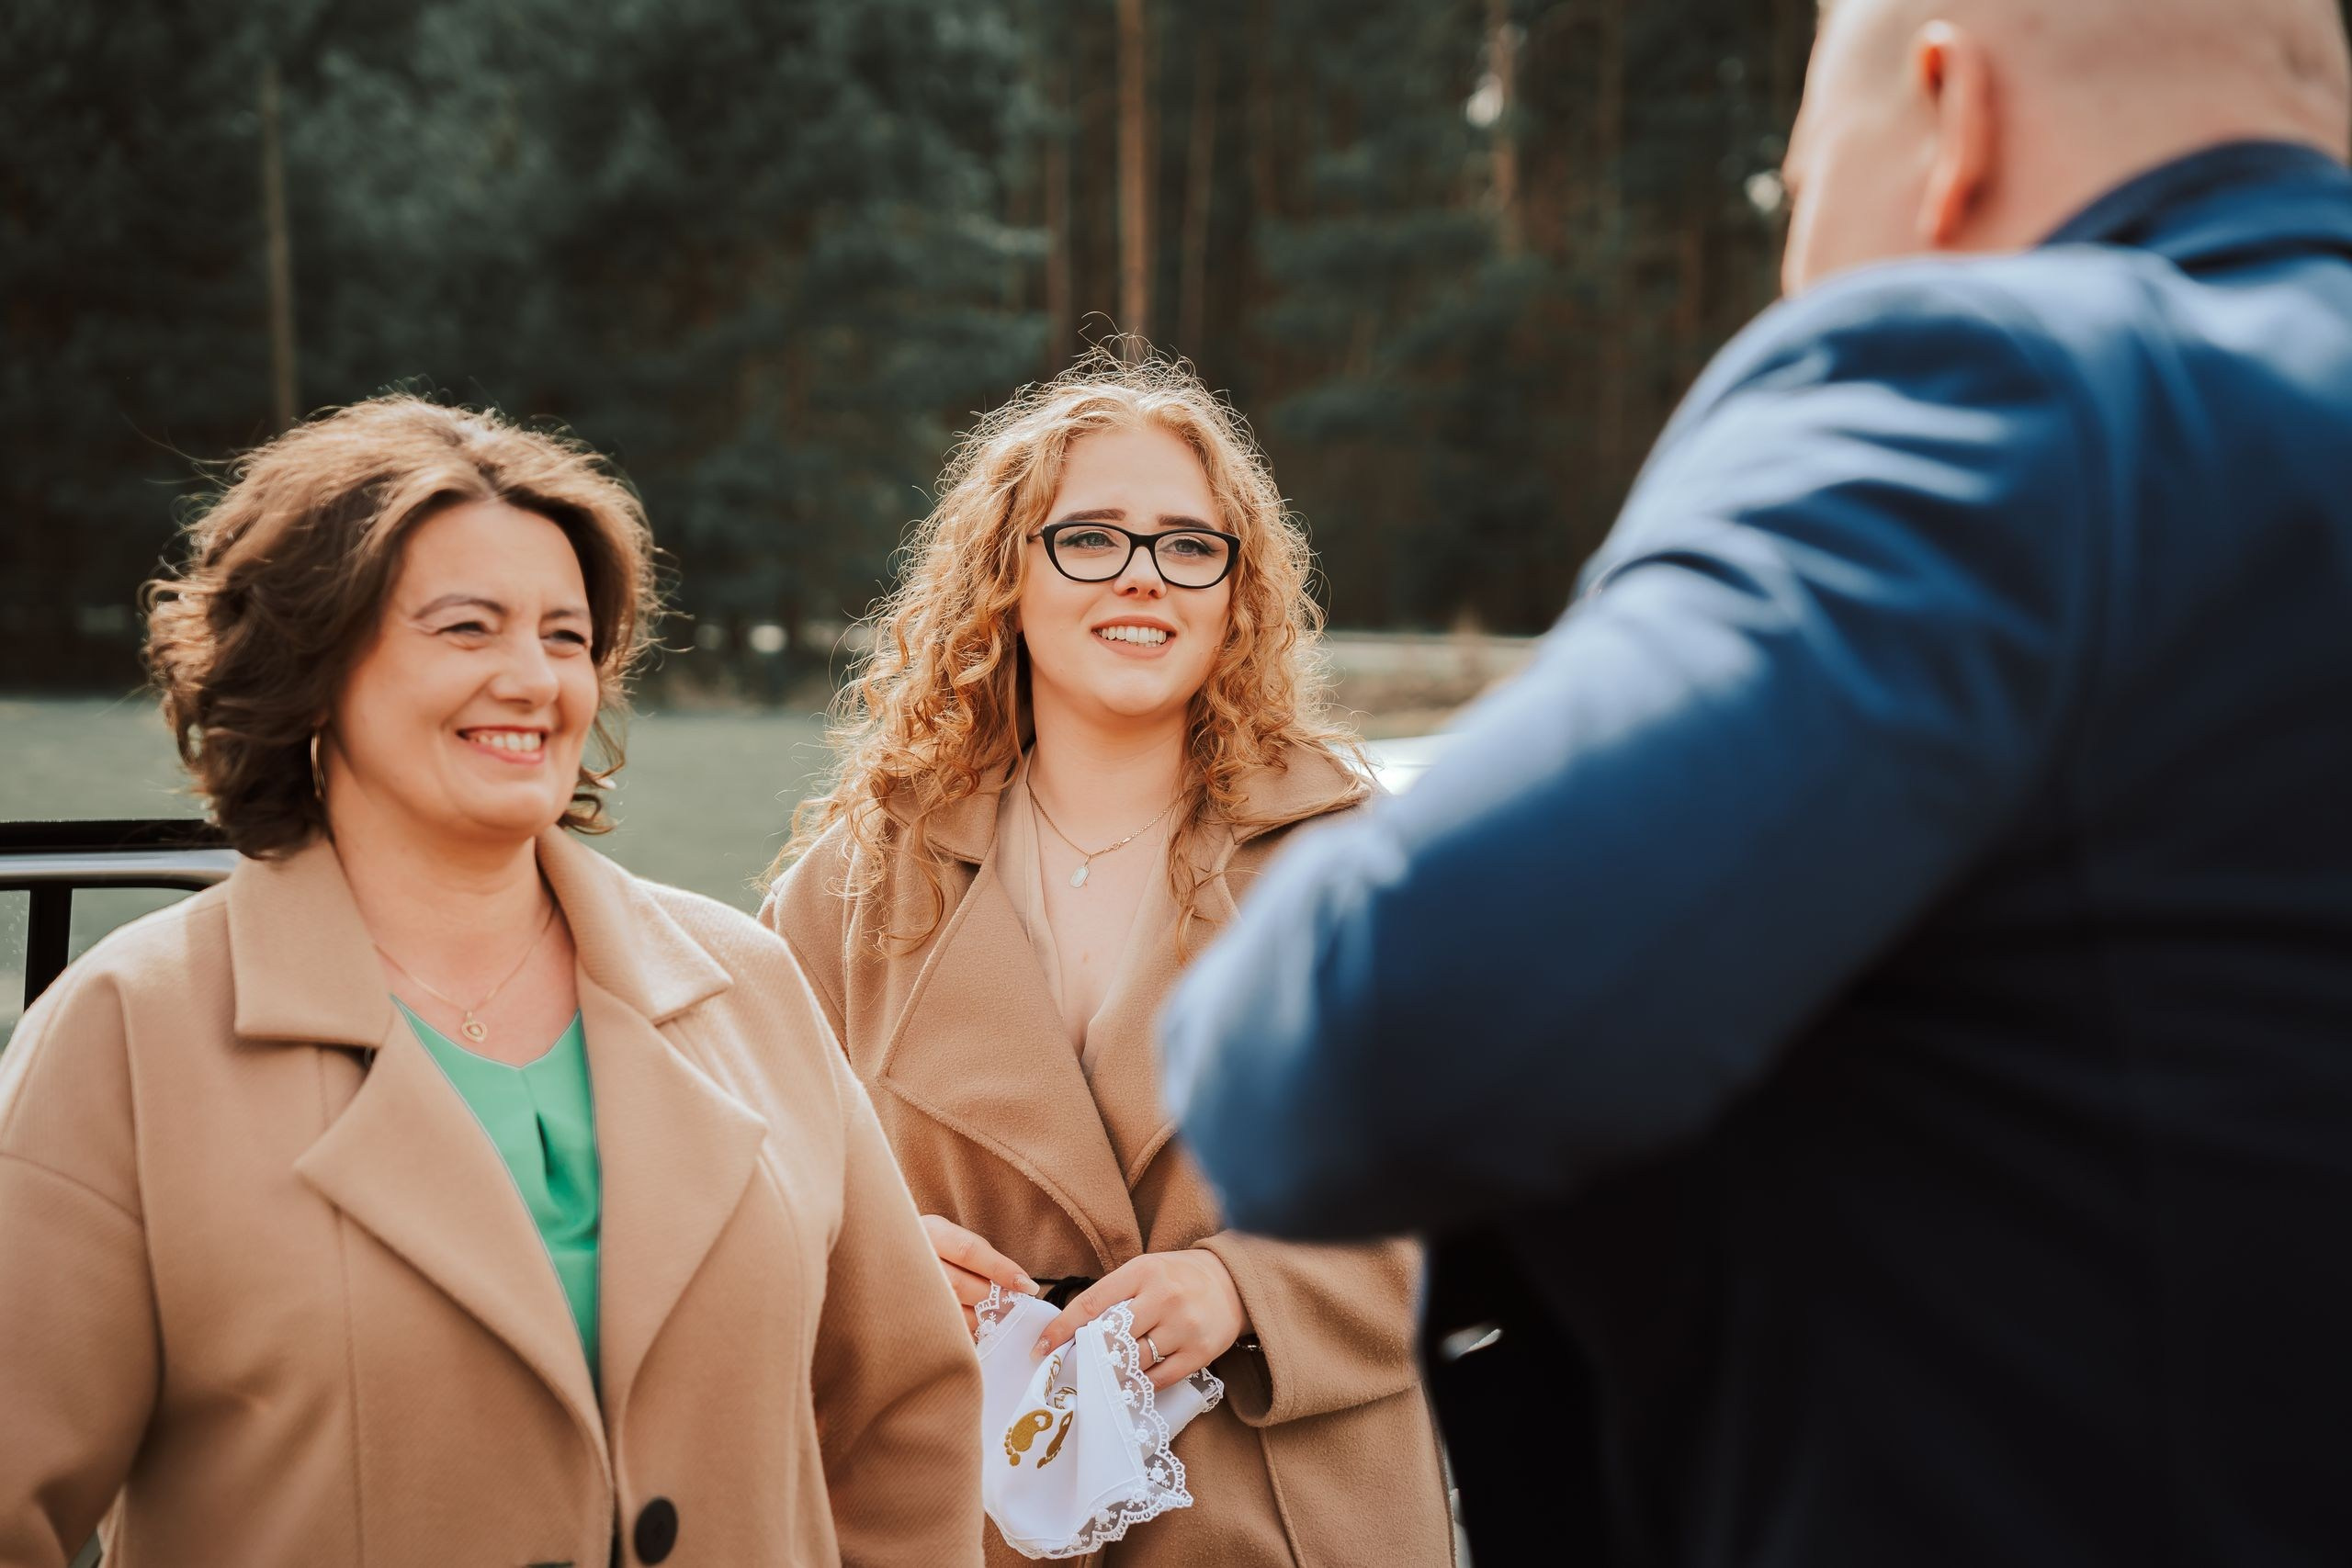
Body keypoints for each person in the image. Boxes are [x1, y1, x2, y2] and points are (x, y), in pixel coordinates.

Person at [1158, 0, 2352, 1562]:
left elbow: (1340, 1051)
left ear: (1951, 115)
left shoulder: (2001, 393)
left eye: (1798, 188)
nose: (1795, 261)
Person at [0, 397, 984, 1568]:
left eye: (566, 637)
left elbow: (900, 1417)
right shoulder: (128, 1029)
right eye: (467, 629)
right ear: (311, 662)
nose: (532, 678)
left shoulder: (745, 985)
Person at [762, 355, 1454, 1567]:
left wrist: (1251, 1289)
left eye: (1189, 545)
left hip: (1282, 1516)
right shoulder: (853, 885)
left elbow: (1492, 1185)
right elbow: (745, 1197)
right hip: (965, 1518)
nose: (1143, 575)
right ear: (1006, 573)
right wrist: (871, 1262)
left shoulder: (1367, 869)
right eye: (1089, 538)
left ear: (1236, 591)